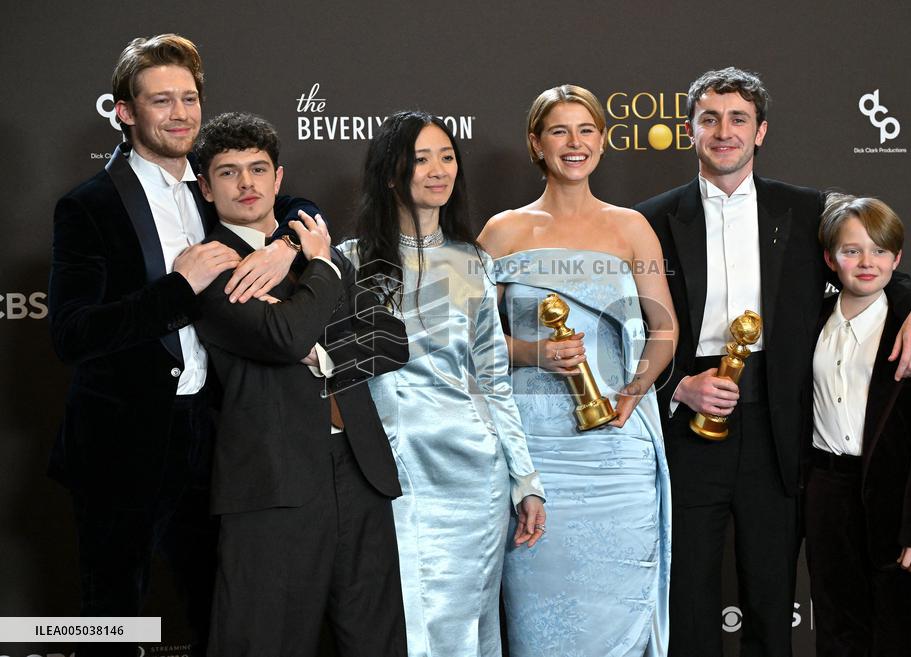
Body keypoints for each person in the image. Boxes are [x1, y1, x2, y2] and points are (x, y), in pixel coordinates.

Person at [634, 67, 911, 657]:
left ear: (761, 131)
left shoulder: (806, 211)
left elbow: (871, 265)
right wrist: (677, 387)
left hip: (780, 427)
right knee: (688, 600)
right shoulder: (648, 219)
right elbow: (624, 328)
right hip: (687, 424)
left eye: (738, 119)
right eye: (710, 119)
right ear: (690, 130)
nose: (724, 132)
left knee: (773, 601)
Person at [47, 34, 313, 657]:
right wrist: (178, 288)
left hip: (216, 434)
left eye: (189, 98)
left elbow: (294, 201)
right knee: (111, 621)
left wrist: (287, 245)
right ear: (125, 112)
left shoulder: (211, 185)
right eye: (160, 100)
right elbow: (73, 334)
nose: (180, 113)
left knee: (216, 614)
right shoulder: (87, 207)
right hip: (122, 444)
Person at [191, 112, 408, 657]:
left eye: (259, 169)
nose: (247, 184)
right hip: (273, 481)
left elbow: (389, 339)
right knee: (265, 641)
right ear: (205, 187)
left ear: (278, 179)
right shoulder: (210, 265)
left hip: (360, 471)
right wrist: (324, 278)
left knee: (375, 642)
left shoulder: (312, 252)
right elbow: (285, 338)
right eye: (229, 172)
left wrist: (319, 349)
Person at [478, 84, 677, 657]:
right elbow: (473, 340)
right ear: (536, 144)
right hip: (535, 451)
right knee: (542, 626)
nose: (574, 143)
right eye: (560, 131)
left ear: (603, 142)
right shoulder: (500, 232)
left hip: (617, 447)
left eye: (586, 130)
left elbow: (663, 329)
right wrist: (535, 354)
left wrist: (636, 389)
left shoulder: (631, 228)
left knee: (617, 613)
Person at [338, 110, 545, 657]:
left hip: (473, 472)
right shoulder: (350, 262)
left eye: (447, 157)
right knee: (397, 624)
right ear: (390, 173)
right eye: (421, 158)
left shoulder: (474, 260)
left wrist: (525, 479)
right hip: (387, 472)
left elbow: (494, 381)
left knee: (462, 624)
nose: (438, 170)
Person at [805, 194, 911, 657]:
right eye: (852, 251)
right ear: (831, 258)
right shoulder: (811, 321)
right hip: (826, 497)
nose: (867, 262)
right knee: (835, 634)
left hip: (895, 505)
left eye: (880, 251)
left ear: (897, 259)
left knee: (897, 639)